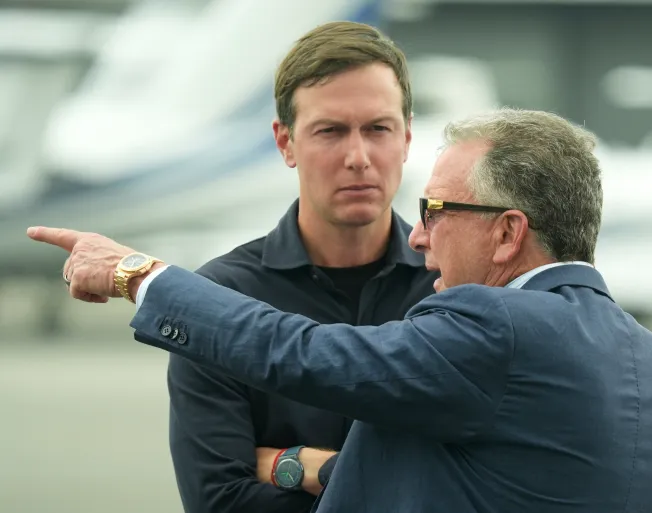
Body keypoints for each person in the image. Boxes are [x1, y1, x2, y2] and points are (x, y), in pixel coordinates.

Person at [28, 107, 652, 512]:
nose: (418, 236)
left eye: (436, 211)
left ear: (508, 233)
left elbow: (300, 352)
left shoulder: (494, 328)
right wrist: (298, 465)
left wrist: (139, 276)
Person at [127, 21, 437, 513]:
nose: (358, 157)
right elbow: (219, 501)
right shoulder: (219, 296)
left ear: (407, 137)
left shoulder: (453, 285)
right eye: (330, 131)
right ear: (285, 142)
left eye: (378, 129)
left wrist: (295, 465)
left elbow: (493, 478)